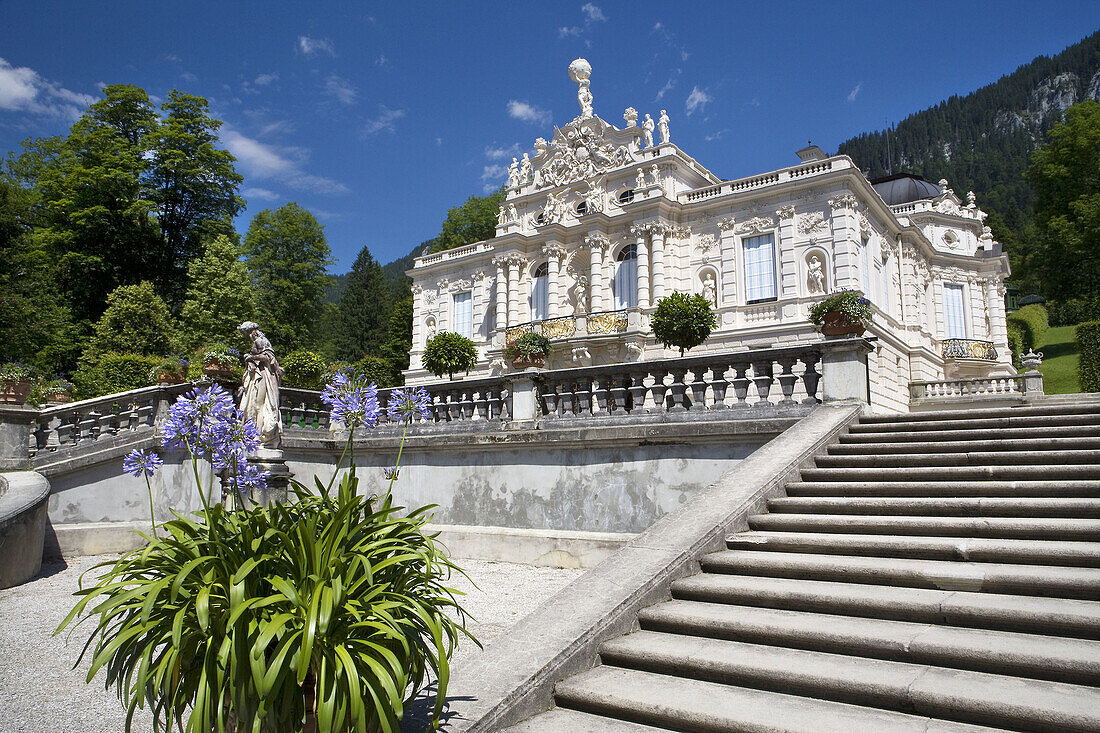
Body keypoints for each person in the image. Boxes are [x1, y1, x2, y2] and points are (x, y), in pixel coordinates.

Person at [238, 321, 284, 449]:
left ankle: (257, 435)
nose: (247, 336)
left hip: (264, 375)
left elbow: (269, 358)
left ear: (252, 331)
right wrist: (251, 361)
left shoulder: (261, 340)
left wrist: (251, 357)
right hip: (259, 375)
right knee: (255, 404)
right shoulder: (258, 341)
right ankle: (255, 434)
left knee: (259, 405)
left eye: (246, 333)